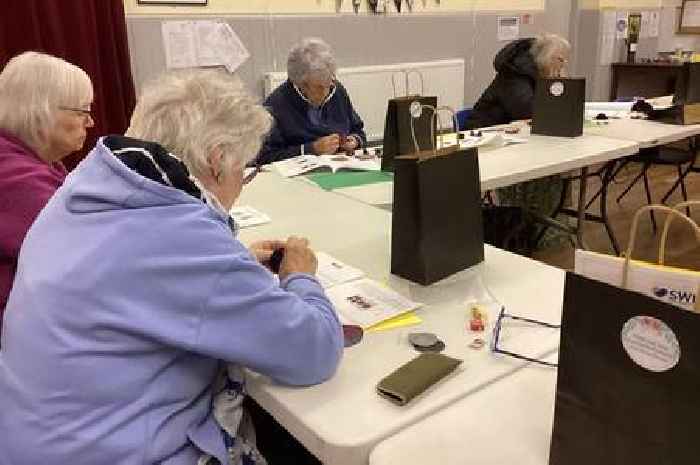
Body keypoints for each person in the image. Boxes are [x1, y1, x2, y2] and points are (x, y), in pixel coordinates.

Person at [0, 69, 343, 465]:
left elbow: (135, 275)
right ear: (216, 161)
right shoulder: (178, 235)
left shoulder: (84, 188)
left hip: (38, 438)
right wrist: (300, 276)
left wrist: (233, 267)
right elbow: (314, 350)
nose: (241, 182)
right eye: (244, 171)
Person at [0, 51, 94, 319]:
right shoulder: (18, 181)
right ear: (41, 110)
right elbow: (84, 256)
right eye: (83, 110)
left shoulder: (31, 161)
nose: (91, 121)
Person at [257, 37, 366, 164]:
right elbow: (265, 157)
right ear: (300, 84)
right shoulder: (276, 105)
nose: (327, 92)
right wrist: (311, 149)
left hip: (341, 166)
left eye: (330, 82)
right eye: (320, 87)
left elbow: (358, 130)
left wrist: (354, 140)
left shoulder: (336, 90)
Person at [466, 33, 571, 129]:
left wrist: (560, 85)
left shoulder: (540, 73)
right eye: (561, 59)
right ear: (547, 58)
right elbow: (527, 112)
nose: (564, 64)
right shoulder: (514, 74)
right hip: (485, 133)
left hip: (511, 133)